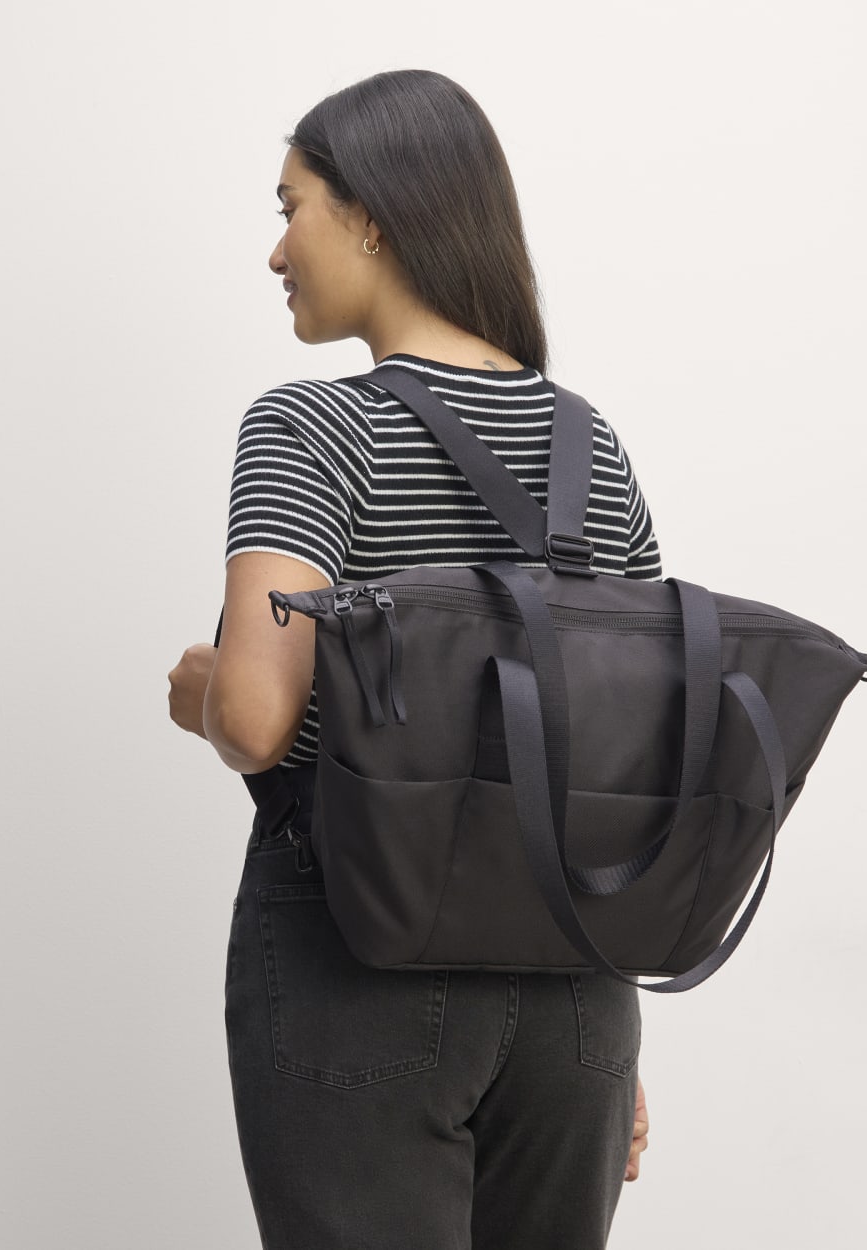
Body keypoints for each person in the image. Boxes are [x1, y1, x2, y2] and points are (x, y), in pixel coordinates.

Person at [168, 69, 654, 1250]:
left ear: (372, 217)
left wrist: (201, 689)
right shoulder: (590, 447)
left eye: (290, 207)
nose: (275, 250)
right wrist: (612, 1046)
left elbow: (256, 716)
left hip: (361, 951)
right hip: (577, 987)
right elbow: (629, 757)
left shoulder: (310, 426)